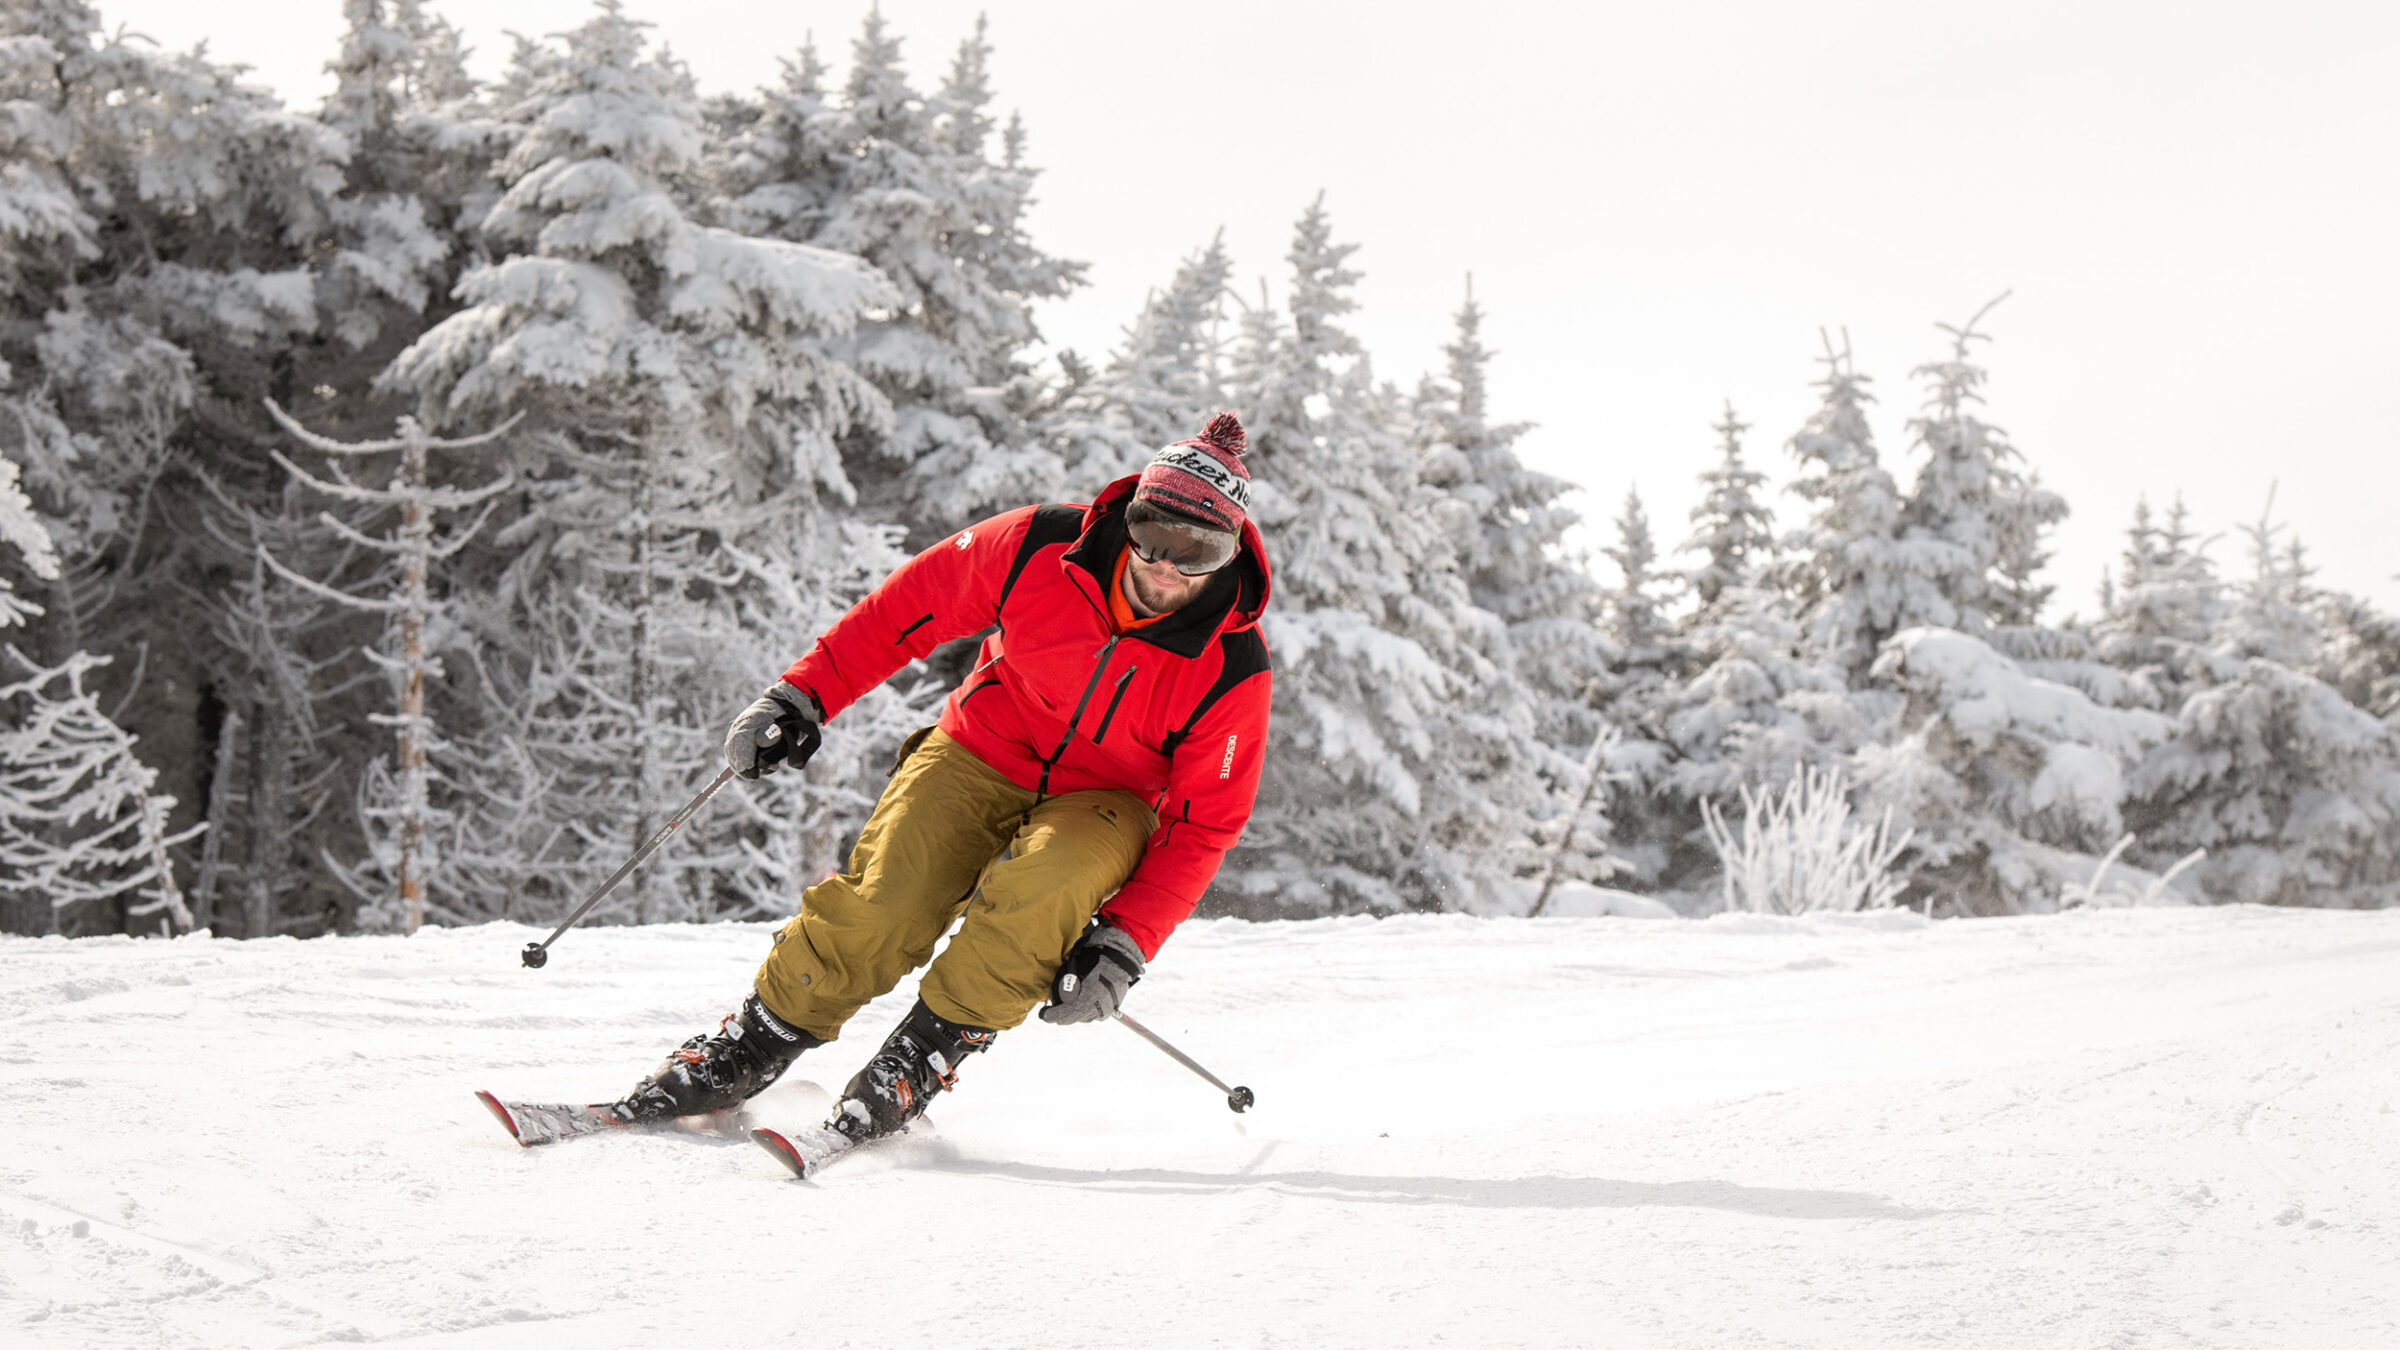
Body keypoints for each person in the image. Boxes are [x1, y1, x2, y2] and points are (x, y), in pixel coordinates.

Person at [612, 413, 1273, 1145]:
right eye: (1154, 536)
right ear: (1128, 515)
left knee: (1044, 891)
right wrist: (804, 694)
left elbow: (1204, 820)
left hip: (1105, 801)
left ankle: (915, 1063)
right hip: (982, 747)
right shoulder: (1042, 546)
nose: (1167, 567)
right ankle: (750, 1047)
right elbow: (907, 608)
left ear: (1232, 549)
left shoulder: (1231, 665)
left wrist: (1125, 939)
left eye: (1198, 550)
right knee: (888, 896)